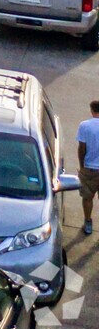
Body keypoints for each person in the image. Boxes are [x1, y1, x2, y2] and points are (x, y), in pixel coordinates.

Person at [77, 100, 99, 235]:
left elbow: (82, 148)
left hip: (89, 169)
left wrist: (82, 166)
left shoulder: (84, 125)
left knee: (87, 197)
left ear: (92, 110)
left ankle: (88, 222)